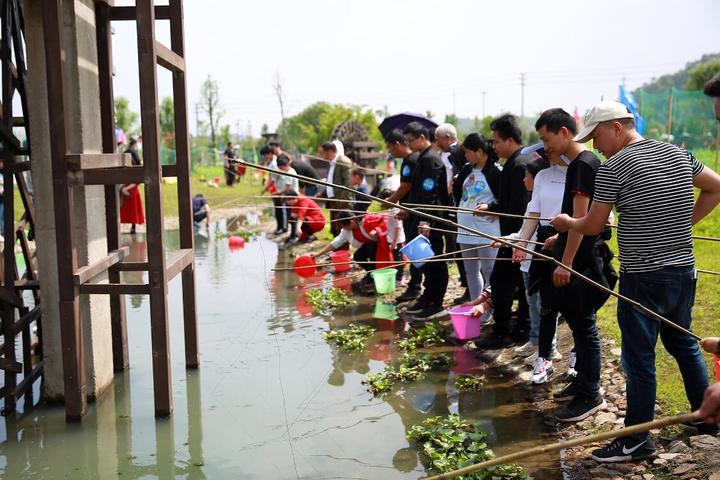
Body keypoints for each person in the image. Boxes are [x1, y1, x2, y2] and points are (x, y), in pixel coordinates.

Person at [550, 100, 720, 462]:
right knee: (684, 342)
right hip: (683, 271)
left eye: (596, 136)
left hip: (643, 277)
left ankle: (637, 439)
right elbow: (716, 187)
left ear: (615, 126)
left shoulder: (614, 167)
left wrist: (567, 224)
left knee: (639, 357)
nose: (595, 146)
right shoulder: (678, 154)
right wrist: (685, 224)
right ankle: (709, 417)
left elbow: (593, 226)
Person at [531, 109, 611, 410]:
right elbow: (582, 220)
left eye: (546, 138)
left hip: (580, 259)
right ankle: (581, 384)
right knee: (579, 325)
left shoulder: (582, 165)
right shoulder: (582, 163)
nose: (545, 145)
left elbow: (580, 219)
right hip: (576, 251)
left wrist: (565, 262)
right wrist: (558, 238)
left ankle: (590, 391)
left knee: (584, 324)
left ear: (564, 132)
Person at [474, 114, 531, 349]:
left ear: (509, 140)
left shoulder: (519, 165)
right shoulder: (514, 162)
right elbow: (507, 203)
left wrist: (517, 240)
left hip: (517, 237)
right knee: (519, 282)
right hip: (513, 236)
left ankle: (502, 332)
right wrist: (492, 208)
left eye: (496, 141)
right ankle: (522, 328)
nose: (493, 146)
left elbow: (520, 208)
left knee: (501, 282)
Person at [511, 146, 563, 373]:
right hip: (529, 261)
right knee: (533, 302)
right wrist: (512, 241)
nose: (524, 180)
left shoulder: (571, 177)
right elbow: (525, 229)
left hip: (544, 256)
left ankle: (550, 348)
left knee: (546, 305)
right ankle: (536, 341)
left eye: (526, 175)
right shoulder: (534, 199)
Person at [400, 121, 451, 320]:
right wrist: (408, 211)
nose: (409, 145)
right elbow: (418, 193)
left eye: (411, 140)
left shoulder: (430, 159)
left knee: (435, 259)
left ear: (422, 138)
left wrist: (424, 221)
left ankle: (436, 302)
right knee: (425, 261)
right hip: (422, 216)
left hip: (433, 219)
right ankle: (427, 297)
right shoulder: (423, 157)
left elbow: (429, 194)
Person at [456, 133, 501, 307]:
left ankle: (488, 310)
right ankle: (476, 306)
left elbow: (504, 200)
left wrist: (491, 208)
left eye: (468, 152)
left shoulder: (495, 171)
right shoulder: (467, 169)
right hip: (465, 228)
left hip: (486, 230)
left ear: (480, 151)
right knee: (471, 271)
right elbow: (459, 195)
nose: (466, 156)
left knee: (489, 271)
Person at [385, 129, 423, 303]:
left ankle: (415, 285)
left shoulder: (410, 161)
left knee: (415, 248)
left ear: (397, 144)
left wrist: (389, 201)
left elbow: (406, 186)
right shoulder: (412, 159)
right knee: (413, 247)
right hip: (409, 211)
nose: (389, 152)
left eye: (390, 147)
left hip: (414, 213)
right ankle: (415, 284)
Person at [309, 210, 393, 287]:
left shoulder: (366, 223)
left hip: (381, 244)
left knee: (373, 255)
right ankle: (372, 273)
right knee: (358, 256)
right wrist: (318, 254)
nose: (344, 228)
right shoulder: (347, 230)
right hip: (368, 245)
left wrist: (376, 232)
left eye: (345, 226)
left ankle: (378, 275)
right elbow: (335, 243)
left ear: (352, 221)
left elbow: (383, 225)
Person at [436, 123, 470, 304]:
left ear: (448, 137)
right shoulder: (444, 154)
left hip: (462, 204)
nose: (436, 143)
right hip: (452, 204)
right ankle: (468, 285)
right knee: (457, 249)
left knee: (461, 248)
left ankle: (471, 288)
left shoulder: (459, 152)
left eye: (438, 139)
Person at [318, 141, 354, 235]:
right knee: (335, 227)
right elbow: (332, 181)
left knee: (343, 228)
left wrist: (343, 200)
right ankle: (336, 248)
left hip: (341, 201)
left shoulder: (343, 161)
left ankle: (343, 249)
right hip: (333, 200)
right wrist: (324, 193)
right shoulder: (332, 163)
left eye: (324, 153)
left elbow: (349, 183)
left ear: (329, 151)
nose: (323, 157)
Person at [377, 188, 406, 284]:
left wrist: (394, 242)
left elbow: (398, 228)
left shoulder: (395, 210)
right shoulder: (390, 209)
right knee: (395, 258)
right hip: (391, 238)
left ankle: (400, 278)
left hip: (397, 239)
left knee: (399, 260)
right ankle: (398, 276)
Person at [259, 145, 287, 235]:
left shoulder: (274, 163)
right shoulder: (272, 162)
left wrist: (264, 189)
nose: (265, 157)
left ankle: (282, 228)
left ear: (270, 153)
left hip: (279, 189)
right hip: (277, 188)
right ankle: (280, 227)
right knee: (278, 209)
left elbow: (273, 179)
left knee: (279, 210)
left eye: (265, 155)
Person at [120, 138, 145, 234]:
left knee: (133, 209)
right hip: (127, 188)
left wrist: (126, 188)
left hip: (132, 189)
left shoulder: (135, 167)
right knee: (124, 209)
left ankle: (133, 227)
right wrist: (123, 188)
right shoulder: (127, 166)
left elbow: (137, 181)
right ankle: (125, 226)